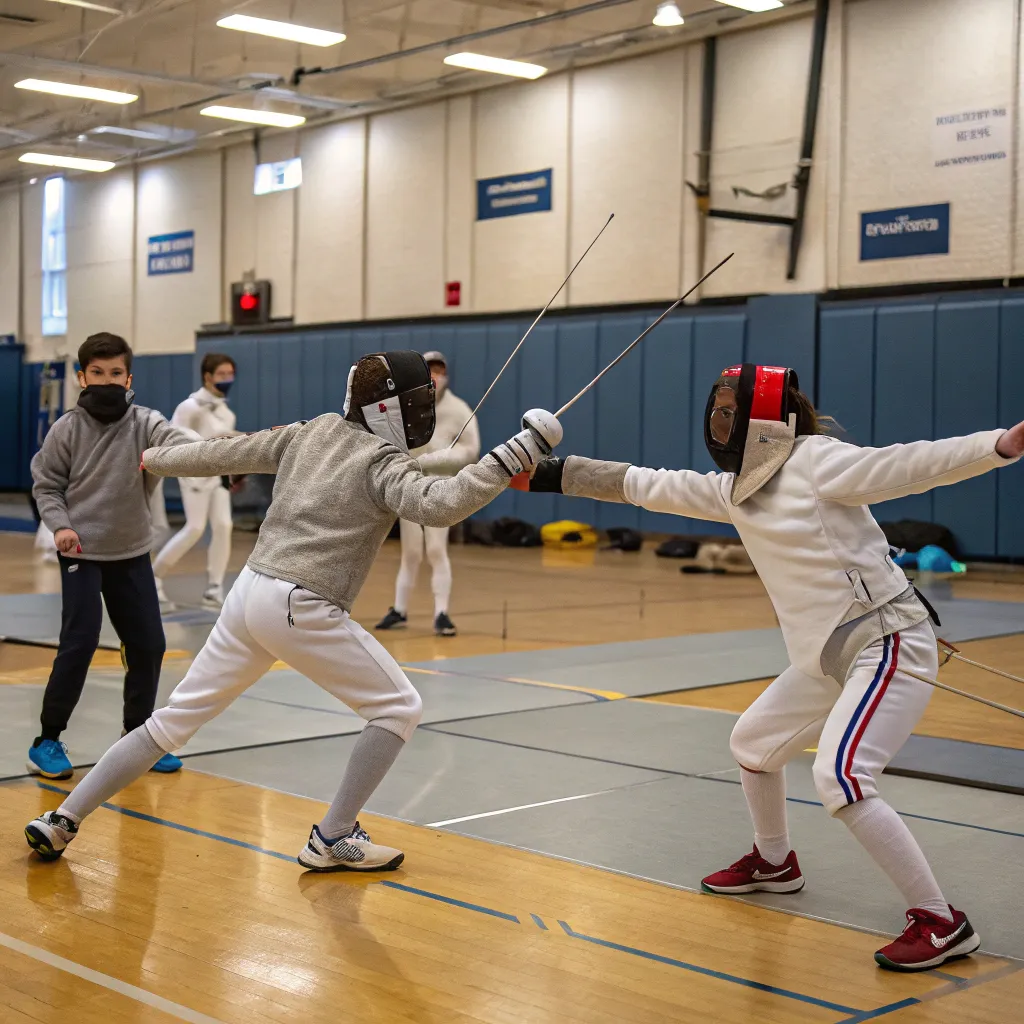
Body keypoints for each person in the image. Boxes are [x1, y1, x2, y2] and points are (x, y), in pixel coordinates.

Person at [526, 362, 1024, 972]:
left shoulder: (818, 460)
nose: (721, 422)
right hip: (822, 657)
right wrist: (541, 475)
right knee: (753, 743)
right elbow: (641, 482)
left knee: (842, 777)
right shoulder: (732, 488)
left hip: (885, 642)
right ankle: (775, 862)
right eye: (718, 410)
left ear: (764, 421)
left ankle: (943, 921)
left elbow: (907, 463)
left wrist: (999, 445)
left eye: (732, 412)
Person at [25, 351, 561, 872]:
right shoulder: (379, 461)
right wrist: (510, 457)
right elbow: (439, 506)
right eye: (421, 400)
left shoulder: (315, 431)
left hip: (249, 595)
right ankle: (333, 837)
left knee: (170, 723)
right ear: (391, 408)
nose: (427, 409)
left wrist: (157, 459)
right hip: (298, 604)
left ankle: (62, 818)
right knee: (398, 710)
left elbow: (224, 452)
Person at [27, 332, 201, 780]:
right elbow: (46, 484)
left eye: (116, 373)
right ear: (82, 377)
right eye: (97, 374)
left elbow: (178, 441)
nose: (107, 381)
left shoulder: (145, 422)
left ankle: (137, 738)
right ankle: (47, 739)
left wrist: (212, 450)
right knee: (80, 642)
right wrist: (61, 526)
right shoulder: (67, 428)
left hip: (131, 552)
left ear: (129, 378)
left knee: (148, 645)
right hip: (81, 550)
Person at [376, 351, 480, 637]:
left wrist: (435, 459)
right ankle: (399, 609)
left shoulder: (460, 409)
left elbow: (471, 450)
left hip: (441, 488)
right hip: (409, 486)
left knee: (436, 549)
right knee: (410, 552)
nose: (435, 376)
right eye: (429, 370)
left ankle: (442, 612)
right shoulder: (406, 407)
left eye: (439, 370)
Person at [153, 354, 240, 609]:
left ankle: (214, 587)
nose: (227, 379)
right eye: (221, 374)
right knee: (195, 528)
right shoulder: (189, 406)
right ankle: (154, 577)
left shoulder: (226, 411)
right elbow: (173, 435)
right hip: (194, 474)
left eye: (230, 374)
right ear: (208, 376)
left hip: (219, 475)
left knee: (224, 525)